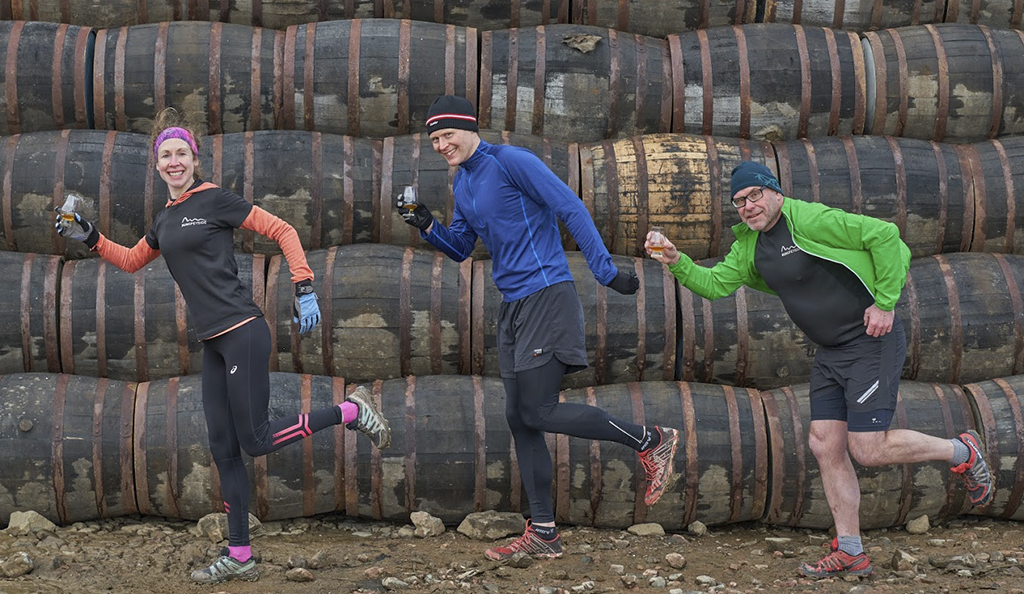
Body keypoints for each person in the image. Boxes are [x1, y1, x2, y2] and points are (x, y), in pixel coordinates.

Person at [55, 108, 392, 585]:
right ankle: (240, 554)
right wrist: (90, 236)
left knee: (254, 440)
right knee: (223, 447)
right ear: (156, 165)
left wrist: (303, 283)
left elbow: (283, 231)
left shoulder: (214, 200)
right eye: (165, 154)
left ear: (195, 160)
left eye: (181, 153)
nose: (174, 161)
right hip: (212, 343)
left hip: (243, 330)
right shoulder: (165, 218)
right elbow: (132, 261)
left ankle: (352, 413)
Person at [646, 160, 994, 578]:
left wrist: (885, 303)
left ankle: (962, 451)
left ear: (774, 192)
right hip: (831, 353)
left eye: (755, 195)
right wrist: (676, 259)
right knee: (825, 444)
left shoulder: (809, 218)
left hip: (870, 342)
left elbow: (886, 237)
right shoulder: (749, 246)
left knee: (868, 448)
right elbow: (717, 285)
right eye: (739, 201)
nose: (747, 206)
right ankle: (850, 550)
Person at [398, 95, 680, 560]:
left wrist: (606, 272)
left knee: (539, 410)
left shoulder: (511, 161)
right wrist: (427, 225)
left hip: (547, 295)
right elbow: (463, 247)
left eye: (447, 134)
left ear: (469, 128)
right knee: (519, 418)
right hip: (513, 306)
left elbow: (570, 207)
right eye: (434, 140)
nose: (441, 145)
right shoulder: (464, 185)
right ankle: (544, 534)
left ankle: (651, 440)